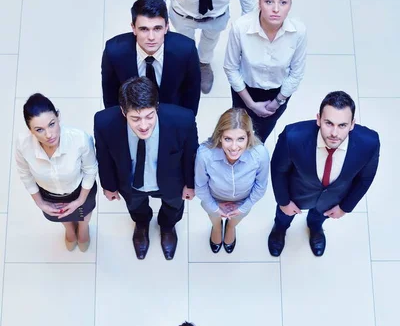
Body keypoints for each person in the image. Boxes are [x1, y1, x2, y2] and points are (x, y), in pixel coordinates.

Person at [94, 76, 198, 260]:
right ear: (123, 112)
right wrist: (108, 185)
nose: (143, 125)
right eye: (135, 118)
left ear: (156, 107)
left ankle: (167, 227)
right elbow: (103, 155)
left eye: (149, 116)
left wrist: (190, 184)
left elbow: (191, 155)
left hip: (171, 182)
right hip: (131, 182)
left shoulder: (183, 120)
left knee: (173, 207)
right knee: (136, 206)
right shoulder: (104, 123)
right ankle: (142, 225)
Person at [268, 91, 380, 257]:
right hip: (297, 191)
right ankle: (279, 230)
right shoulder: (292, 137)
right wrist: (284, 202)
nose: (334, 133)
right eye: (329, 123)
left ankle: (315, 229)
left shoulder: (369, 143)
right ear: (319, 119)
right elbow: (278, 170)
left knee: (319, 217)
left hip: (334, 197)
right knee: (283, 216)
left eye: (342, 125)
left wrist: (345, 207)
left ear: (352, 124)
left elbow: (365, 178)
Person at [224, 0, 307, 142]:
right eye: (269, 2)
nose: (276, 9)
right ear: (260, 2)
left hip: (279, 93)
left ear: (290, 5)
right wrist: (250, 104)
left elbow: (296, 73)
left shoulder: (298, 32)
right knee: (239, 132)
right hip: (245, 90)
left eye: (283, 2)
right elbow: (231, 68)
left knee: (261, 136)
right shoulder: (241, 28)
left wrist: (277, 102)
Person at [15, 93, 98, 252]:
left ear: (58, 117)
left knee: (85, 214)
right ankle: (69, 229)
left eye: (52, 124)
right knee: (62, 217)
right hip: (48, 194)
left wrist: (80, 200)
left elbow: (90, 170)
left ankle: (83, 229)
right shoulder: (23, 144)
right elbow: (25, 173)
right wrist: (39, 202)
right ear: (30, 130)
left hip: (80, 189)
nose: (49, 135)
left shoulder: (80, 139)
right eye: (39, 129)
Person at [101, 0, 201, 115]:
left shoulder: (186, 50)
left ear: (166, 27)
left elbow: (192, 94)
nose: (151, 37)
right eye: (144, 29)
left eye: (157, 28)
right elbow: (110, 97)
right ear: (133, 28)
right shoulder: (114, 52)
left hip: (171, 114)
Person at [195, 108, 269, 254]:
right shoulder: (205, 154)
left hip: (243, 200)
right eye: (228, 139)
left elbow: (260, 186)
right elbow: (200, 186)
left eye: (240, 139)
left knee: (236, 219)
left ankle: (230, 227)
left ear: (248, 137)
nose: (234, 147)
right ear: (220, 136)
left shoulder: (260, 154)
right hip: (213, 198)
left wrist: (242, 207)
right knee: (214, 218)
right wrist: (215, 208)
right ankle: (216, 228)